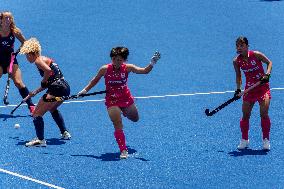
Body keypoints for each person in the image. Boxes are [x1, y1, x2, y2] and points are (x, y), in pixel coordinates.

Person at [78, 47, 161, 159]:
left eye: (120, 60)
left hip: (125, 98)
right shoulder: (105, 69)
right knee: (117, 123)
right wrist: (85, 90)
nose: (117, 62)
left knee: (135, 118)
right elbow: (94, 80)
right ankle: (123, 150)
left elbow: (144, 71)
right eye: (114, 59)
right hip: (112, 100)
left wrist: (152, 63)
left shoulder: (128, 68)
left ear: (124, 60)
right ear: (111, 58)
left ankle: (124, 111)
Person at [19, 38, 72, 147]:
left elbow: (48, 72)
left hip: (56, 87)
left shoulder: (38, 60)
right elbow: (50, 81)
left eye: (27, 55)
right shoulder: (44, 59)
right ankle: (64, 132)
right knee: (52, 109)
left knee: (36, 113)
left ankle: (40, 140)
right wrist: (35, 92)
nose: (26, 57)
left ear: (32, 53)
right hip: (65, 87)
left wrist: (43, 80)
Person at [233, 36, 272, 150]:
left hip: (262, 87)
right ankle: (245, 140)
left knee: (264, 113)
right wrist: (238, 89)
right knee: (245, 115)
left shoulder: (256, 55)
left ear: (247, 46)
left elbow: (269, 63)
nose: (239, 48)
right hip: (249, 89)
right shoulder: (236, 61)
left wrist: (267, 74)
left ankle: (266, 140)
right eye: (237, 46)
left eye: (241, 45)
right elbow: (238, 76)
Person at [0, 11, 35, 113]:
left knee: (18, 82)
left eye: (10, 18)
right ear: (0, 20)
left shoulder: (15, 31)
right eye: (5, 18)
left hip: (11, 60)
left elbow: (25, 42)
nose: (8, 20)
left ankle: (31, 106)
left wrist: (17, 52)